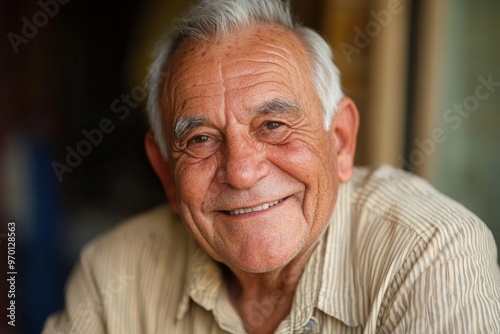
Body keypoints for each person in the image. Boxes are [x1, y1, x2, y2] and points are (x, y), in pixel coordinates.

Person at [43, 0, 500, 333]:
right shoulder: (111, 276)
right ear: (165, 172)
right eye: (201, 139)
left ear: (339, 142)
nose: (241, 172)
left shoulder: (429, 256)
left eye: (274, 125)